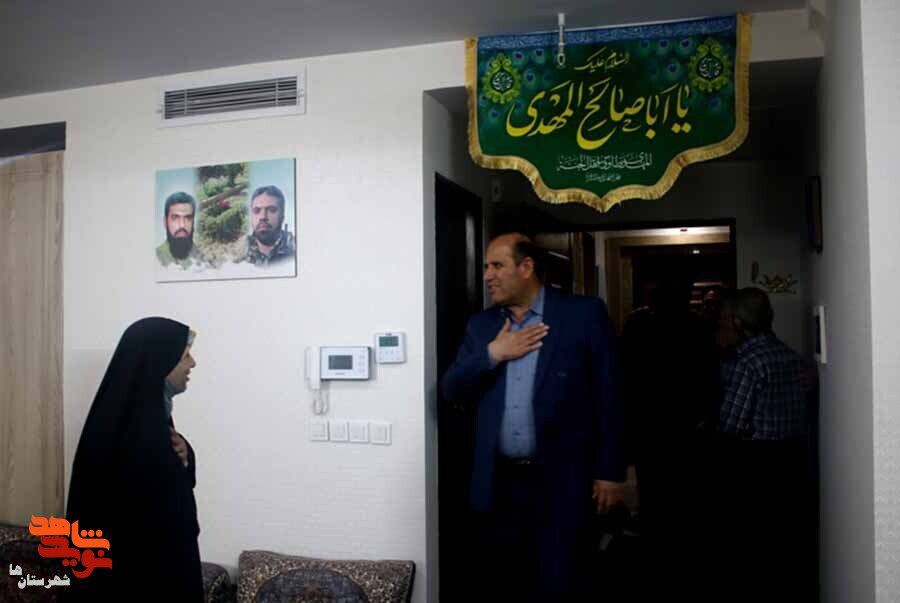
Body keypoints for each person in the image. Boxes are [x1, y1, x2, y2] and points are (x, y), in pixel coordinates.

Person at [441, 233, 626, 602]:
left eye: (497, 265)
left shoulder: (582, 315)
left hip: (564, 478)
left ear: (526, 267)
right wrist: (493, 353)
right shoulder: (482, 326)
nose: (487, 275)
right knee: (508, 580)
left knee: (562, 578)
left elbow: (611, 396)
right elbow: (451, 389)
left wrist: (611, 471)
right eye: (486, 267)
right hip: (501, 482)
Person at [65, 317, 202, 601]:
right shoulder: (134, 434)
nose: (192, 363)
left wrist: (186, 455)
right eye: (185, 356)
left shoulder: (150, 419)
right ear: (159, 361)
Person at [716, 287, 809, 602]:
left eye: (726, 318)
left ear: (738, 322)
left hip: (756, 462)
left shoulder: (748, 362)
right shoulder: (790, 355)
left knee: (752, 542)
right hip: (793, 455)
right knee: (782, 538)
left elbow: (731, 423)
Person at [243, 185, 295, 265]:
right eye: (257, 210)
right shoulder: (238, 251)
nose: (263, 217)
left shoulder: (297, 249)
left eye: (272, 210)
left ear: (282, 216)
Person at [156, 192, 202, 269]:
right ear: (165, 222)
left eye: (188, 218)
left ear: (193, 222)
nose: (182, 225)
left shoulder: (206, 261)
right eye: (175, 218)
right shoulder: (153, 259)